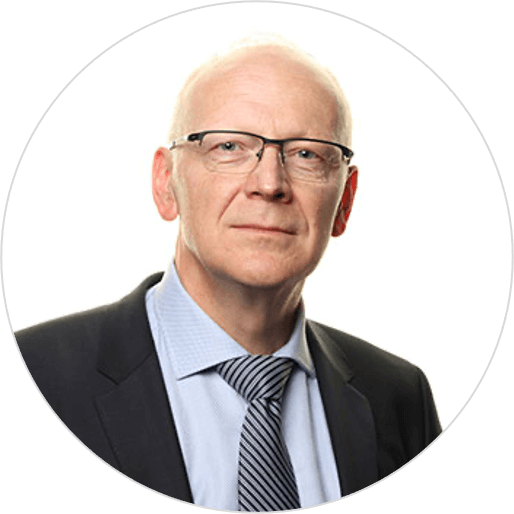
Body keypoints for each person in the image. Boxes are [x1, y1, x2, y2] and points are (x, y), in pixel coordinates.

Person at [15, 37, 441, 510]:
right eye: (229, 146)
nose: (269, 184)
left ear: (345, 201)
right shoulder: (39, 374)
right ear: (166, 183)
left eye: (307, 154)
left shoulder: (399, 398)